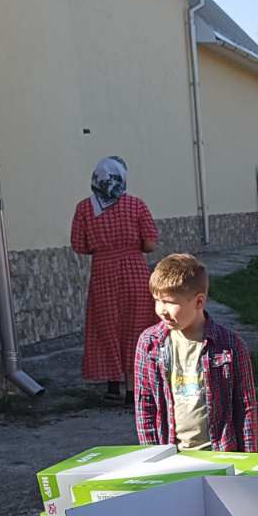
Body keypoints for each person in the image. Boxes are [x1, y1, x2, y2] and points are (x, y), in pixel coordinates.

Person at [132, 254, 258, 452]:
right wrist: (151, 456)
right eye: (157, 300)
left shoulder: (230, 346)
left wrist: (248, 459)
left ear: (199, 301)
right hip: (170, 457)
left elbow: (246, 408)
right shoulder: (149, 343)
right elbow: (145, 406)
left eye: (170, 302)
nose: (161, 310)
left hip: (219, 455)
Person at [70, 156, 159, 402]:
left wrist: (103, 249)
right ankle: (133, 390)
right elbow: (150, 244)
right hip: (134, 272)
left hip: (103, 272)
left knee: (106, 326)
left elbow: (79, 245)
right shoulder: (136, 205)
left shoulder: (84, 208)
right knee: (136, 326)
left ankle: (112, 385)